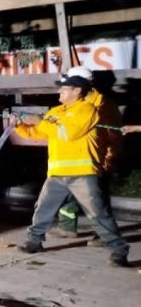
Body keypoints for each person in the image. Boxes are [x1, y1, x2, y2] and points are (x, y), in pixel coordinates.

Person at [9, 72, 129, 267]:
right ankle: (34, 241)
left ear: (77, 90)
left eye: (64, 88)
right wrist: (19, 126)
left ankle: (119, 250)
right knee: (43, 208)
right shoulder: (55, 111)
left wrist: (43, 121)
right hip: (57, 173)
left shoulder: (88, 110)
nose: (60, 91)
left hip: (83, 173)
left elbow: (70, 133)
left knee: (98, 213)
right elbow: (37, 133)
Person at [49, 67, 122, 241]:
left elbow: (111, 137)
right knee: (68, 195)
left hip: (96, 159)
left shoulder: (98, 104)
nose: (63, 88)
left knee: (96, 201)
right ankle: (67, 227)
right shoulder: (78, 102)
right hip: (77, 159)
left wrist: (105, 160)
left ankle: (103, 236)